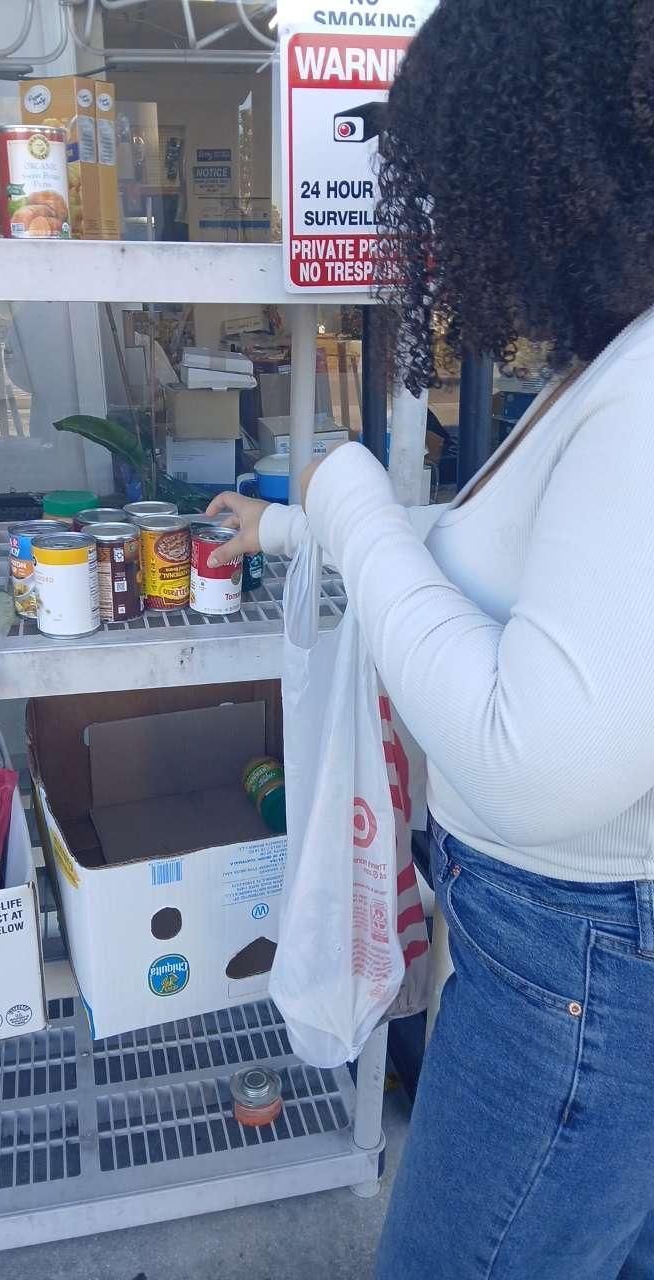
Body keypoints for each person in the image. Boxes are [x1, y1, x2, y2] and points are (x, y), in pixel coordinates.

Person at [207, 1, 654, 1275]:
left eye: (456, 190)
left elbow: (533, 757)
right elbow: (506, 562)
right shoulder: (618, 364)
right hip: (582, 952)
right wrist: (297, 527)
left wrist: (350, 492)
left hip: (579, 966)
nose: (449, 236)